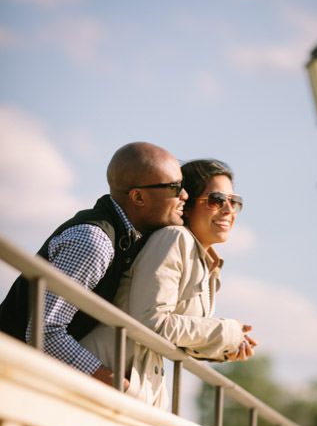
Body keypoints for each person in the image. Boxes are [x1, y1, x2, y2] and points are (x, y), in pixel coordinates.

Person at [0, 142, 186, 387]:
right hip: (11, 380)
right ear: (138, 196)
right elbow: (45, 333)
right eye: (175, 187)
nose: (185, 195)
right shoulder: (94, 242)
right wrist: (117, 384)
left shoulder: (126, 237)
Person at [81, 158, 256, 408]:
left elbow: (178, 337)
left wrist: (228, 346)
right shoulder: (175, 238)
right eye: (217, 200)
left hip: (133, 387)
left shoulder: (207, 265)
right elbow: (151, 323)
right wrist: (225, 331)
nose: (228, 210)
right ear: (188, 204)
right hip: (102, 377)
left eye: (234, 202)